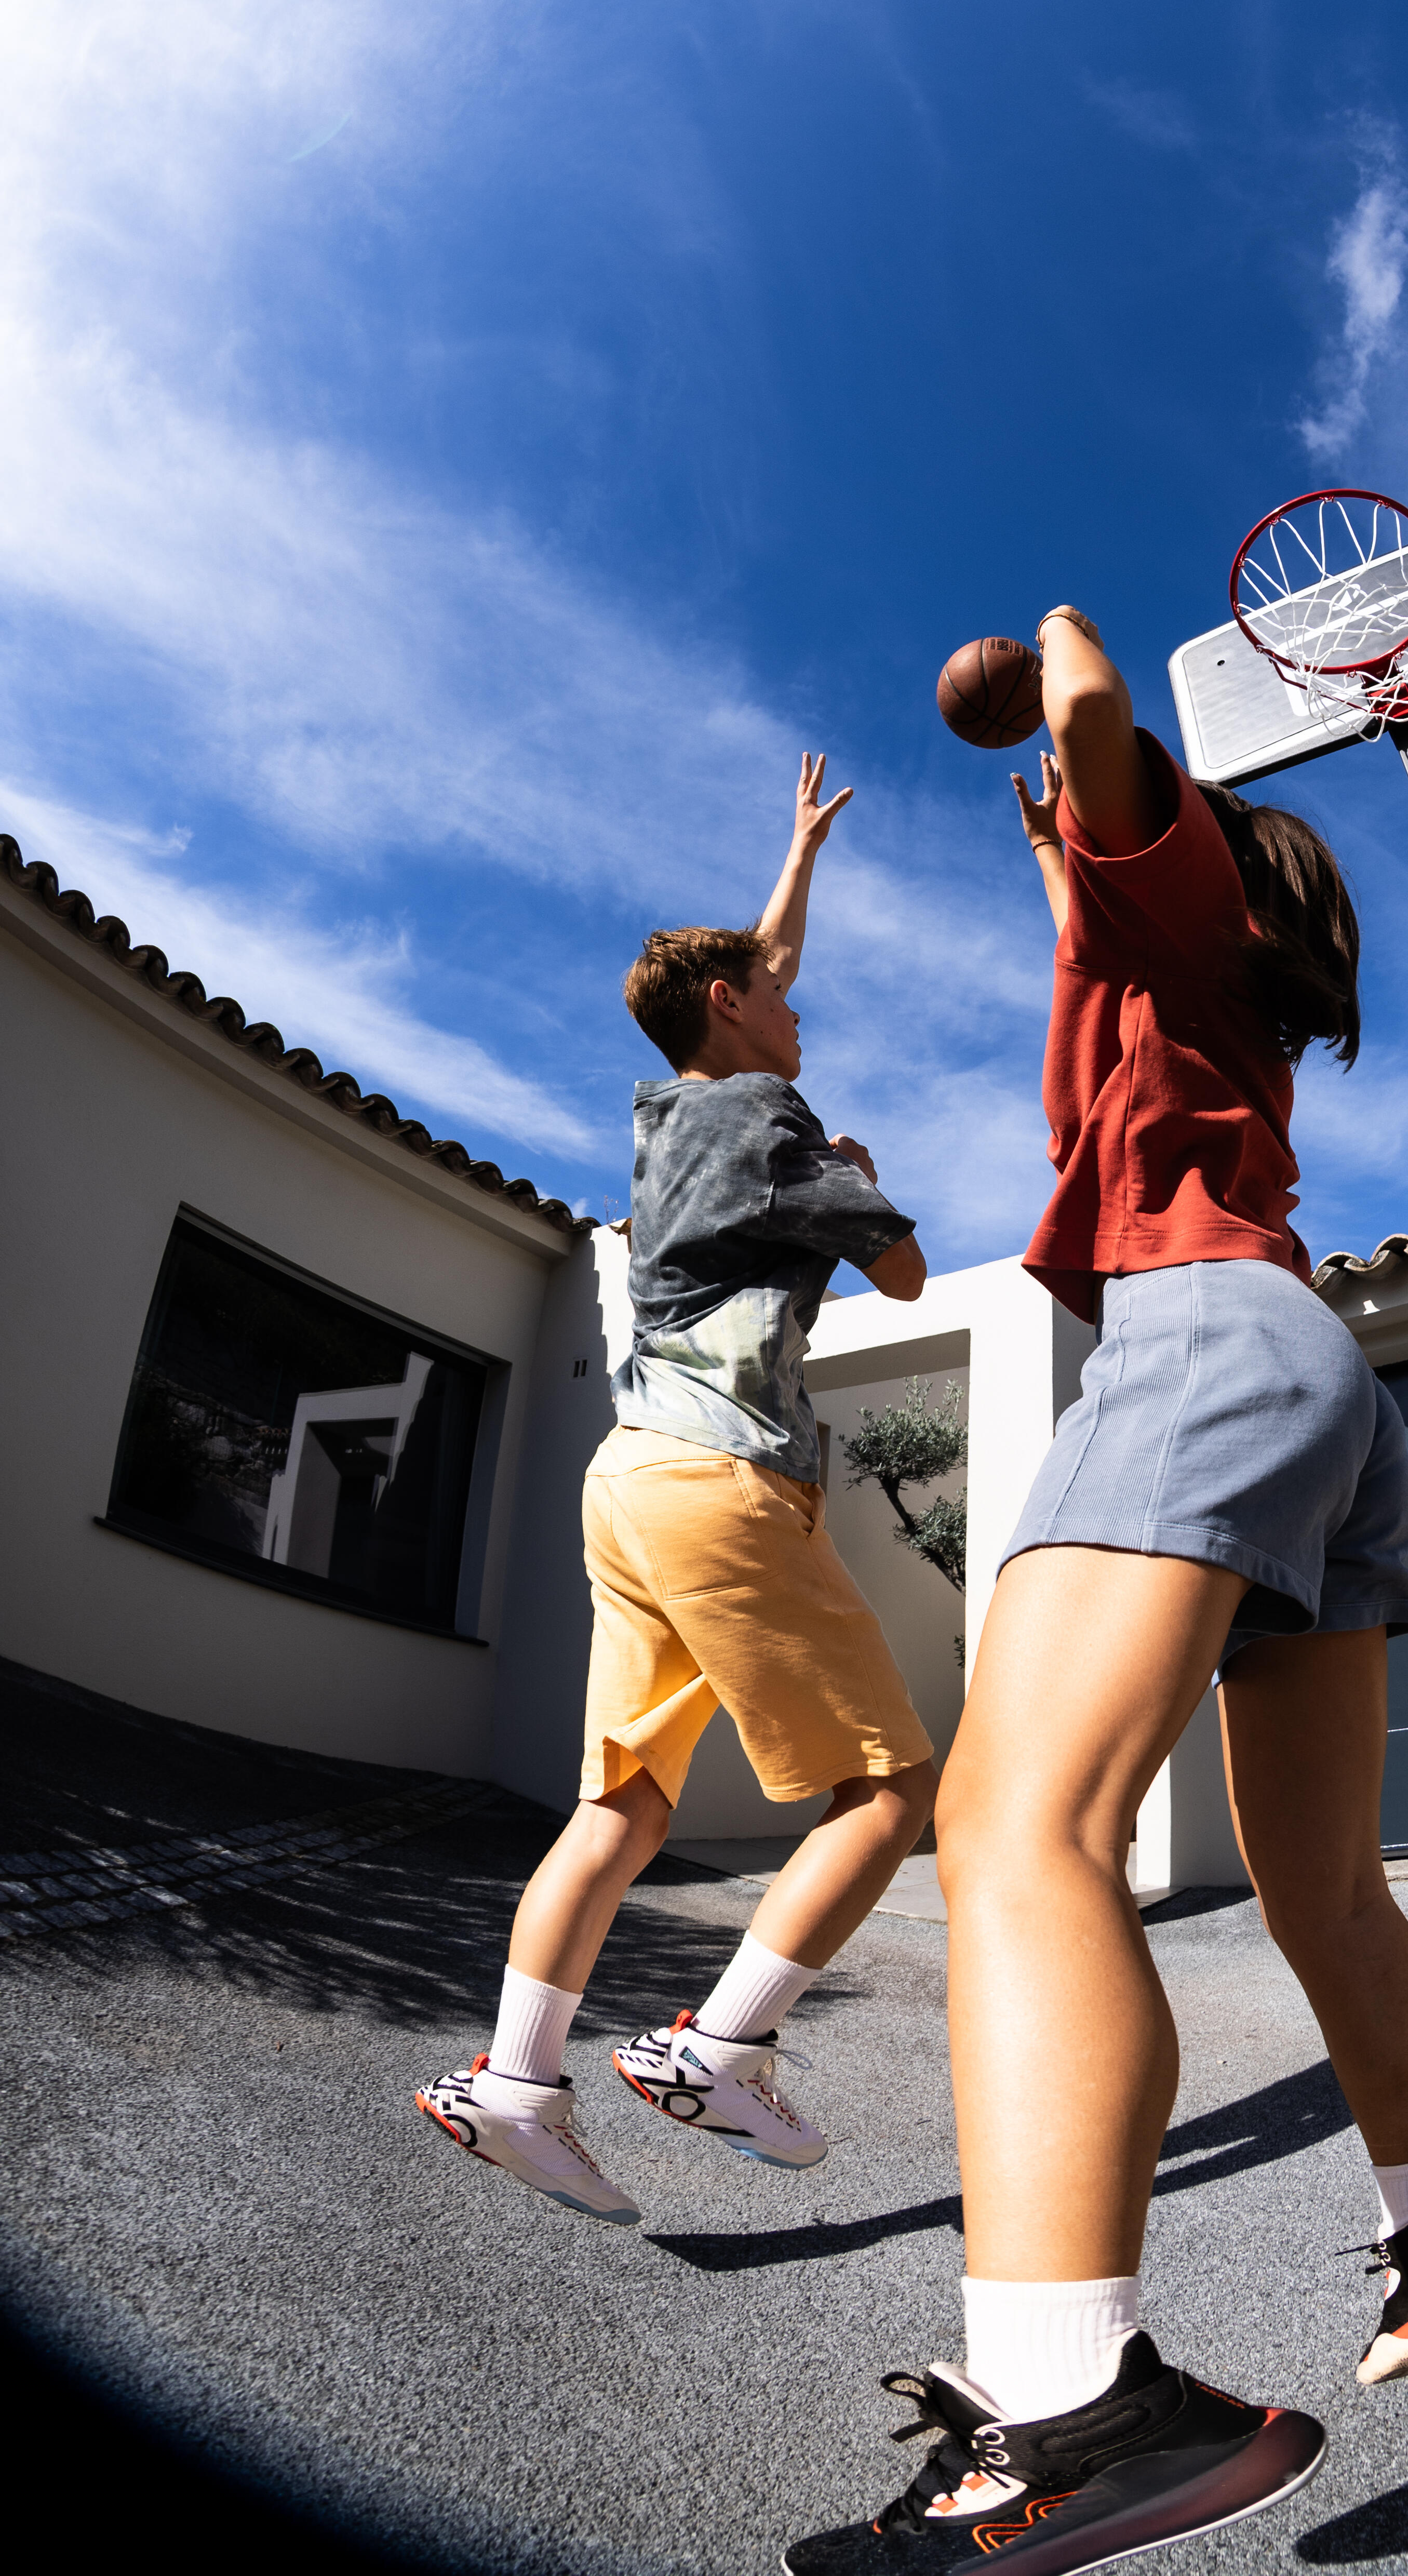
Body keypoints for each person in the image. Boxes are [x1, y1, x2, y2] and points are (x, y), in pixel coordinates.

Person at [788, 620, 1408, 2574]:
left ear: (1189, 847)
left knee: (1017, 1828)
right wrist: (1054, 838)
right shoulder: (1162, 971)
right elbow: (1080, 883)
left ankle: (1071, 2411)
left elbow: (1086, 699)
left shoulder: (1184, 891)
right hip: (1316, 1373)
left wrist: (1055, 657)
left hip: (1203, 1350)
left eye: (1105, 833)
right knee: (1326, 1886)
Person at [416, 756, 940, 2226]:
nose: (797, 1005)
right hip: (720, 1483)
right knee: (891, 1790)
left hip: (631, 1478)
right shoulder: (774, 1120)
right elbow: (905, 1271)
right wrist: (857, 1175)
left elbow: (757, 962)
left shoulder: (667, 1121)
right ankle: (722, 2047)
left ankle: (515, 2085)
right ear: (729, 1010)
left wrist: (800, 851)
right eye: (777, 995)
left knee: (623, 1809)